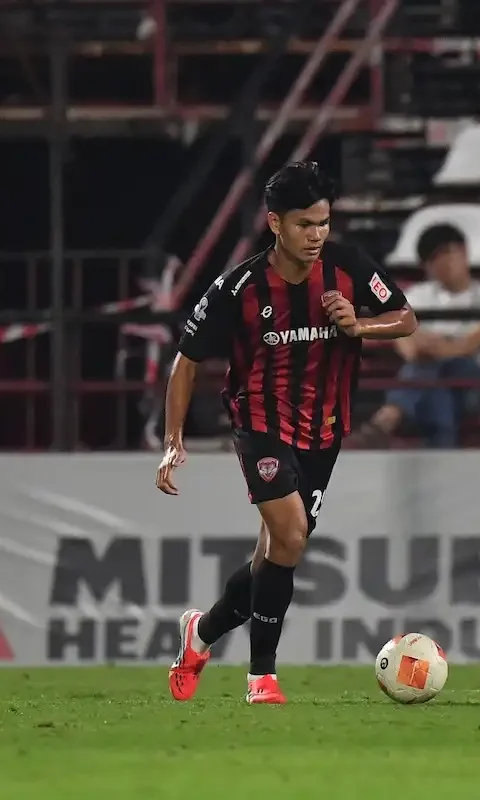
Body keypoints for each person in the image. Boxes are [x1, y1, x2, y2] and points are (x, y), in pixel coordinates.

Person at [155, 161, 417, 705]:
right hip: (260, 424)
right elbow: (186, 361)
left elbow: (406, 318)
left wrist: (359, 325)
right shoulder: (239, 287)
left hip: (324, 430)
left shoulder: (348, 268)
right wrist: (173, 439)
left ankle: (200, 634)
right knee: (291, 536)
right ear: (275, 223)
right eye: (305, 224)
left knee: (275, 554)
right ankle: (262, 677)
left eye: (323, 222)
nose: (317, 234)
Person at [355, 224, 480, 448]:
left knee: (436, 367)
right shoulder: (417, 295)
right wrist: (444, 345)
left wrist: (431, 346)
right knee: (437, 392)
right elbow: (408, 347)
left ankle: (387, 418)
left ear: (464, 253)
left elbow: (472, 346)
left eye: (448, 253)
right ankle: (443, 461)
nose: (443, 263)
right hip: (430, 382)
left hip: (475, 384)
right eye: (434, 259)